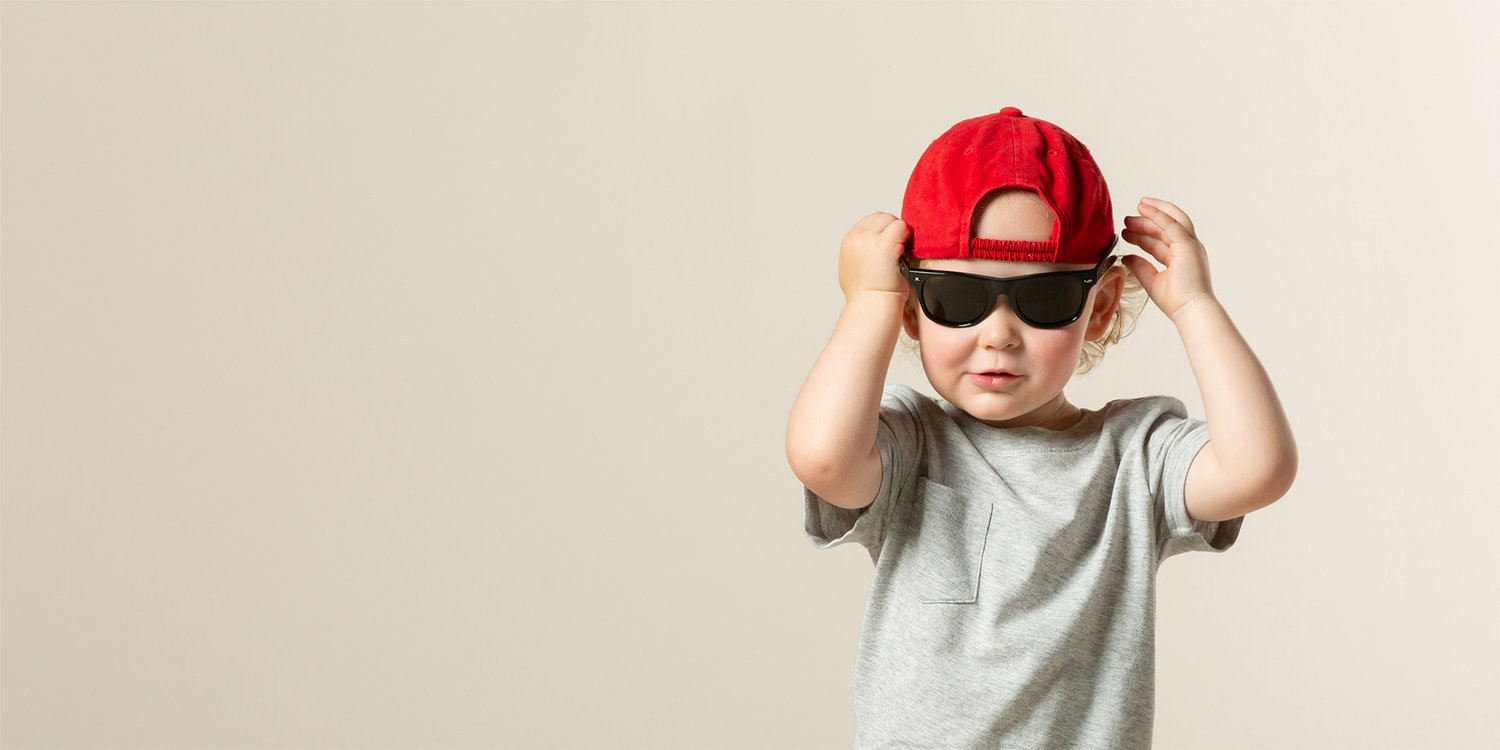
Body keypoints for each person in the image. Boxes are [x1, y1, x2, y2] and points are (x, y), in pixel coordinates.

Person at [784, 107, 1297, 749]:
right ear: (913, 313)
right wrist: (868, 304)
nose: (998, 333)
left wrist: (1196, 307)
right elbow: (823, 459)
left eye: (1044, 299)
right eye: (957, 298)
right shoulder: (909, 441)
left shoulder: (1134, 458)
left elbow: (1259, 468)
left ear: (1100, 307)